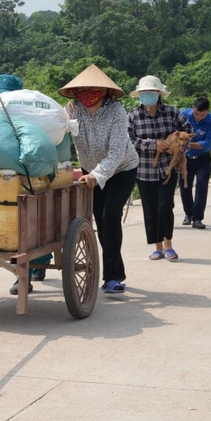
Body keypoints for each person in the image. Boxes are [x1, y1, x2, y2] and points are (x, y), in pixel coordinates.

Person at [59, 64, 139, 293]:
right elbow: (61, 133)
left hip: (121, 169)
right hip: (88, 169)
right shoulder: (73, 110)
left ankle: (113, 277)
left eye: (93, 89)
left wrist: (98, 175)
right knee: (101, 223)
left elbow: (117, 152)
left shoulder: (117, 112)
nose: (88, 93)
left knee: (111, 214)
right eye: (83, 89)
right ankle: (114, 269)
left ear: (105, 91)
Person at [0, 73, 55, 293]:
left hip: (26, 175)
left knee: (31, 222)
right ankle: (36, 265)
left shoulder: (28, 113)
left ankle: (26, 273)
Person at [127, 75, 192, 261]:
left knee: (165, 206)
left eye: (150, 92)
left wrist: (179, 148)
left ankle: (168, 244)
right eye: (143, 93)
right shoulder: (132, 116)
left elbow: (187, 132)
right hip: (144, 170)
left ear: (158, 94)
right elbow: (129, 140)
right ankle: (157, 247)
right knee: (150, 209)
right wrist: (152, 144)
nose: (147, 96)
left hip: (168, 168)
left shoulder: (172, 113)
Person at [178, 97, 211, 229]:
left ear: (208, 112)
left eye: (202, 114)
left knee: (201, 186)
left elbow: (206, 145)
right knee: (185, 186)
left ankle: (197, 218)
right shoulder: (183, 114)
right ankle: (188, 214)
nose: (199, 117)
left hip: (203, 158)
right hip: (185, 158)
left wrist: (187, 143)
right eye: (196, 113)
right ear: (192, 107)